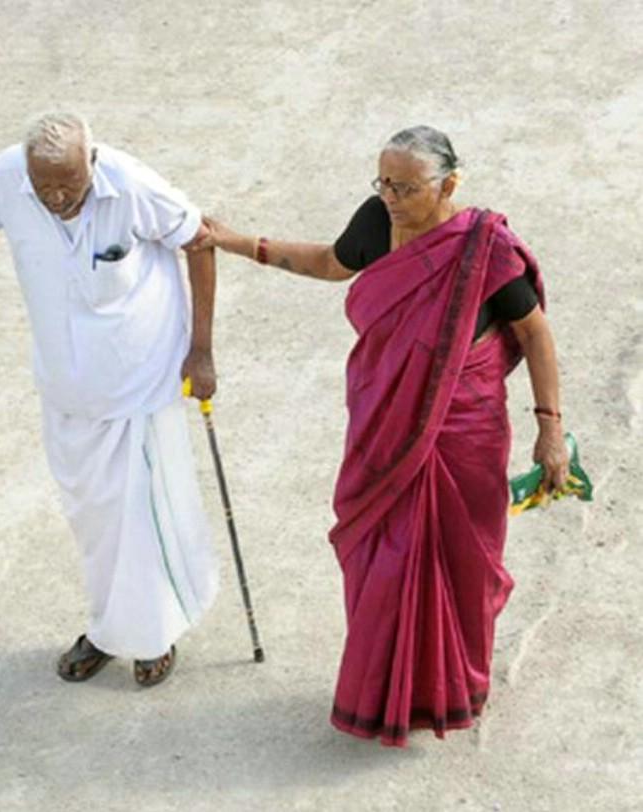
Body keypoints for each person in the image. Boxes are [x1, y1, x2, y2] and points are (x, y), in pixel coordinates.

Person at [191, 125, 569, 746]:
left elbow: (535, 333)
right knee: (382, 558)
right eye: (384, 182)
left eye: (406, 186)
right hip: (384, 424)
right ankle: (383, 691)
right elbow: (331, 263)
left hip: (465, 430)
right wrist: (235, 242)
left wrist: (549, 430)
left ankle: (455, 688)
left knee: (463, 563)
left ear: (449, 184)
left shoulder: (484, 250)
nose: (391, 197)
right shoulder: (377, 219)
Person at [0, 112, 219, 687]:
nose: (55, 198)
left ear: (91, 164)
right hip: (67, 385)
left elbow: (200, 240)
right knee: (94, 518)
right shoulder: (9, 179)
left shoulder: (132, 186)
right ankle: (108, 628)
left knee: (140, 514)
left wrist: (200, 349)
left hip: (138, 381)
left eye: (68, 187)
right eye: (44, 186)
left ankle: (153, 633)